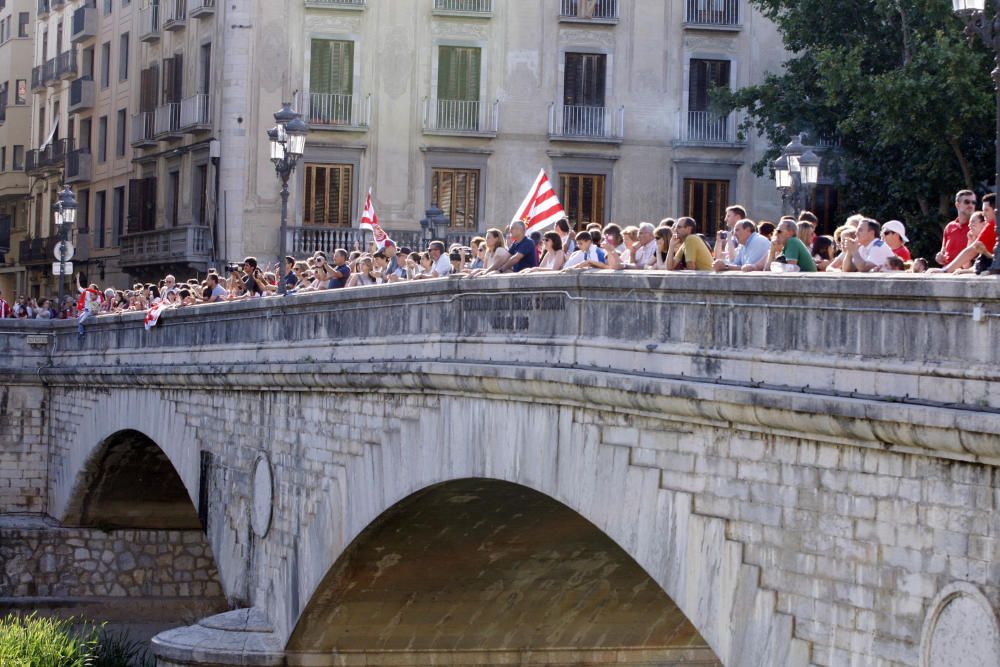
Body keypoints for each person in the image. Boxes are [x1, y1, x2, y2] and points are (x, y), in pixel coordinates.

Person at [937, 189, 975, 267]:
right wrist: (939, 257)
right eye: (967, 202)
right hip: (947, 272)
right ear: (957, 205)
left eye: (973, 202)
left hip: (966, 274)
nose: (971, 205)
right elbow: (943, 252)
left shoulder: (978, 226)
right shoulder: (949, 227)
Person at [76, 272, 104, 338]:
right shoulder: (87, 293)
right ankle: (81, 332)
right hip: (86, 311)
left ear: (95, 289)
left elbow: (99, 304)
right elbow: (79, 288)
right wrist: (77, 278)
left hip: (91, 311)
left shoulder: (98, 296)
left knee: (81, 321)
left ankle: (81, 333)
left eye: (91, 287)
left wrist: (97, 309)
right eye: (89, 287)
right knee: (79, 318)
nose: (89, 288)